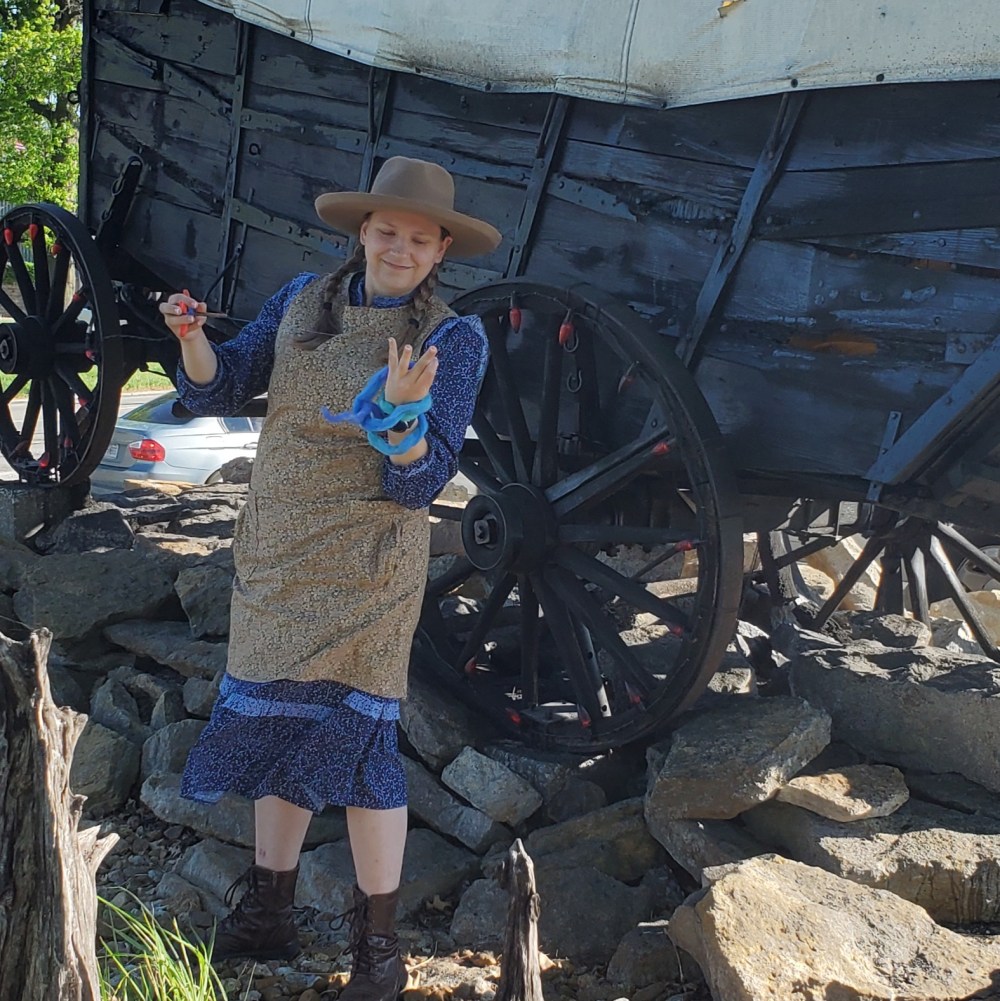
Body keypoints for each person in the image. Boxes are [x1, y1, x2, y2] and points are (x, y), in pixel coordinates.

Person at [160, 156, 502, 1001]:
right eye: (387, 230)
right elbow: (226, 386)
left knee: (361, 741)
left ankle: (378, 953)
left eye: (418, 239)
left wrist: (399, 416)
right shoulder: (300, 298)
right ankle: (266, 914)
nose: (399, 247)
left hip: (367, 566)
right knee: (276, 724)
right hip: (276, 553)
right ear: (362, 231)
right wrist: (190, 339)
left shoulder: (453, 339)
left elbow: (420, 485)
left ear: (440, 250)